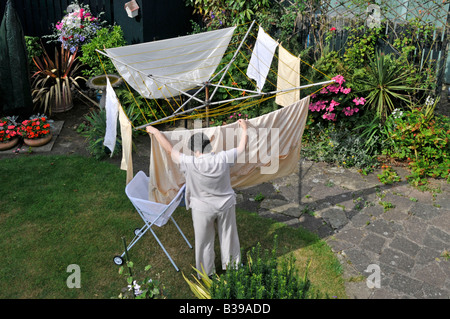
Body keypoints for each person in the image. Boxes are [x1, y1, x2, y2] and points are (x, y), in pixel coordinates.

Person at [146, 119, 248, 277]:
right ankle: (233, 266)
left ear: (194, 150)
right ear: (209, 146)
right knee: (229, 235)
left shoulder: (189, 162)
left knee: (204, 242)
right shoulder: (223, 157)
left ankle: (207, 274)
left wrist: (156, 132)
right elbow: (242, 148)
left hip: (202, 209)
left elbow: (169, 150)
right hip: (225, 205)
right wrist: (245, 129)